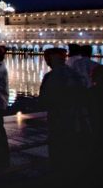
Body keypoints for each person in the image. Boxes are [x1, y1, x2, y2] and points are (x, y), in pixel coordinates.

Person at [38, 47, 90, 175]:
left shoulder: (51, 76)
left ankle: (59, 175)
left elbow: (43, 100)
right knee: (72, 148)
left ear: (51, 59)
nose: (46, 61)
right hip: (75, 118)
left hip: (58, 118)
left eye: (47, 58)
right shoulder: (75, 74)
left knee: (58, 148)